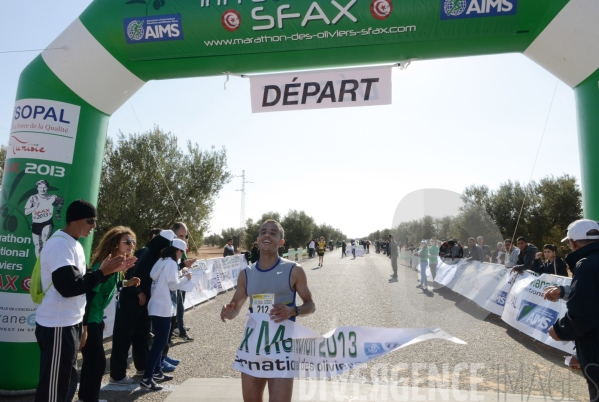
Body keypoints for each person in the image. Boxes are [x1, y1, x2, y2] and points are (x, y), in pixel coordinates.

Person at [34, 200, 136, 402]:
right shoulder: (60, 244)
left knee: (66, 381)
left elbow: (82, 283)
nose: (94, 226)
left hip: (68, 323)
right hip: (57, 324)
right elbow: (69, 287)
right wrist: (101, 273)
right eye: (90, 221)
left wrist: (108, 273)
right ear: (75, 220)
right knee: (54, 388)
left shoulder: (73, 244)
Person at [220, 219, 315, 402]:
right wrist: (227, 311)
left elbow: (311, 305)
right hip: (252, 348)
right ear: (257, 240)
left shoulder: (294, 270)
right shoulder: (246, 274)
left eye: (273, 233)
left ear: (281, 242)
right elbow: (235, 310)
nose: (267, 235)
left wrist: (293, 310)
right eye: (264, 232)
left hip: (281, 348)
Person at [79, 227, 141, 401]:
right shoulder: (104, 265)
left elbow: (115, 286)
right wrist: (85, 327)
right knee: (97, 362)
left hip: (96, 319)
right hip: (89, 319)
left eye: (133, 241)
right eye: (127, 241)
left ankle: (85, 397)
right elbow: (89, 295)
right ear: (115, 243)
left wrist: (128, 282)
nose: (132, 245)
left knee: (92, 362)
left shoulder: (116, 265)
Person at [543, 219, 599, 402]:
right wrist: (565, 291)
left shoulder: (586, 265)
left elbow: (583, 313)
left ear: (572, 242)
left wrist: (559, 330)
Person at [110, 229, 176, 383]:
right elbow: (130, 273)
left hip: (144, 303)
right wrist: (138, 291)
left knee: (142, 336)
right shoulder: (145, 252)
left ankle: (143, 368)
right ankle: (117, 375)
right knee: (123, 338)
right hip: (130, 300)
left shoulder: (158, 257)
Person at [140, 239, 192, 391]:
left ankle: (156, 372)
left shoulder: (162, 260)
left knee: (159, 342)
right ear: (178, 251)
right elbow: (173, 285)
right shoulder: (170, 263)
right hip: (163, 307)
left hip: (158, 305)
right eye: (182, 253)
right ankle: (147, 377)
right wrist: (185, 278)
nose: (182, 256)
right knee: (159, 343)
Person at [24, 179, 65, 258]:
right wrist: (35, 207)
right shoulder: (33, 198)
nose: (42, 189)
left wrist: (57, 213)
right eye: (40, 187)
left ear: (47, 188)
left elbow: (61, 200)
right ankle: (38, 264)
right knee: (37, 245)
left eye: (44, 187)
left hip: (47, 222)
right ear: (37, 188)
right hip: (36, 223)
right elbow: (26, 212)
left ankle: (45, 261)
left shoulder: (52, 197)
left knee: (45, 241)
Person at [172, 222, 197, 344]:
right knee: (178, 308)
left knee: (179, 308)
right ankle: (179, 331)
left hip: (179, 283)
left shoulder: (181, 249)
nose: (184, 239)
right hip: (172, 286)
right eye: (181, 236)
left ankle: (177, 331)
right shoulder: (169, 251)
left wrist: (185, 269)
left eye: (185, 236)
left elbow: (182, 264)